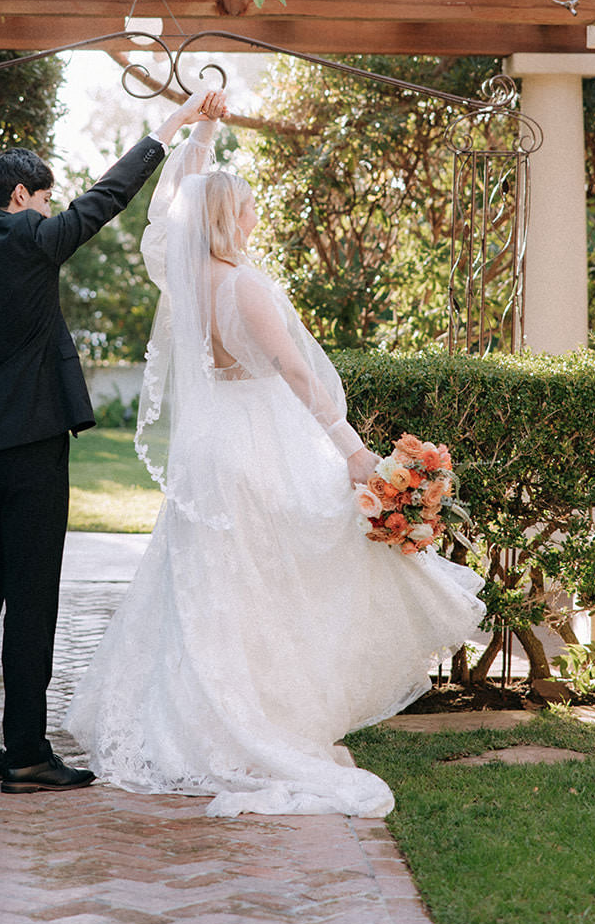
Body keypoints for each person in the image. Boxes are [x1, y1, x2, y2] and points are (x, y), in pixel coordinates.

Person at [66, 110, 487, 817]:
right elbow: (295, 372)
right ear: (232, 219)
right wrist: (353, 451)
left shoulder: (180, 277)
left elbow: (174, 198)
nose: (256, 219)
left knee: (212, 585)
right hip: (262, 441)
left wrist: (196, 131)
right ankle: (266, 721)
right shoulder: (243, 287)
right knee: (277, 580)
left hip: (211, 447)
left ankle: (190, 723)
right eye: (249, 209)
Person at [0, 87, 225, 796]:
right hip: (31, 444)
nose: (47, 210)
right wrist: (174, 124)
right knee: (31, 600)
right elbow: (109, 194)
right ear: (23, 196)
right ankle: (27, 753)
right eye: (42, 199)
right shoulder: (32, 242)